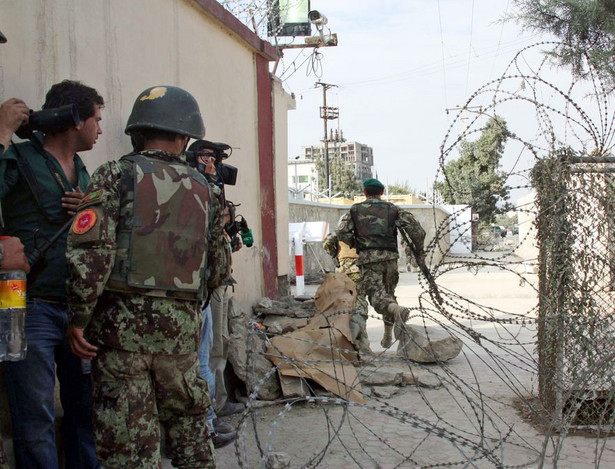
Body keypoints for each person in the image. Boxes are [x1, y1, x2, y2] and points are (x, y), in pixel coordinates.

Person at [65, 85, 227, 469]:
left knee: (131, 447)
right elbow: (219, 267)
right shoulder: (207, 189)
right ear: (185, 136)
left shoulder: (114, 175)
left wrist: (78, 319)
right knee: (192, 442)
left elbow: (91, 257)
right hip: (181, 341)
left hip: (121, 340)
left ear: (137, 132)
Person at [0, 80, 103, 469]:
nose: (100, 128)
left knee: (84, 412)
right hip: (27, 306)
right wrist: (3, 132)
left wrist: (91, 210)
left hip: (76, 310)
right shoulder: (21, 158)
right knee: (35, 417)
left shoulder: (82, 171)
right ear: (75, 119)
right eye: (96, 118)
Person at [189, 140, 237, 448]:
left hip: (214, 283)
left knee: (215, 348)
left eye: (216, 159)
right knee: (203, 357)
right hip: (200, 287)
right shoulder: (193, 188)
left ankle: (214, 409)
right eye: (209, 157)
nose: (214, 164)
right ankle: (206, 422)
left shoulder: (211, 187)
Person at [337, 178, 426, 345]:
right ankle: (388, 334)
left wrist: (356, 244)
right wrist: (419, 251)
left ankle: (396, 311)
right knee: (388, 294)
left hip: (369, 259)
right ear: (382, 192)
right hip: (391, 259)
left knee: (376, 295)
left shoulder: (355, 210)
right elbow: (417, 231)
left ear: (365, 192)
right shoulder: (393, 209)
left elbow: (342, 232)